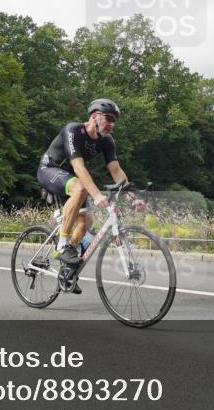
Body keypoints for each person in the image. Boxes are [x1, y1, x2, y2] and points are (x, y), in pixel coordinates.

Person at [36, 98, 143, 293]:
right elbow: (78, 166)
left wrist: (132, 196)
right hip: (49, 170)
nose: (111, 124)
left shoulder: (107, 141)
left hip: (71, 178)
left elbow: (116, 169)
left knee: (86, 223)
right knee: (80, 188)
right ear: (94, 116)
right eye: (108, 119)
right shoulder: (73, 131)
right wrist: (96, 195)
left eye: (114, 121)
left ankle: (68, 267)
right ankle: (61, 246)